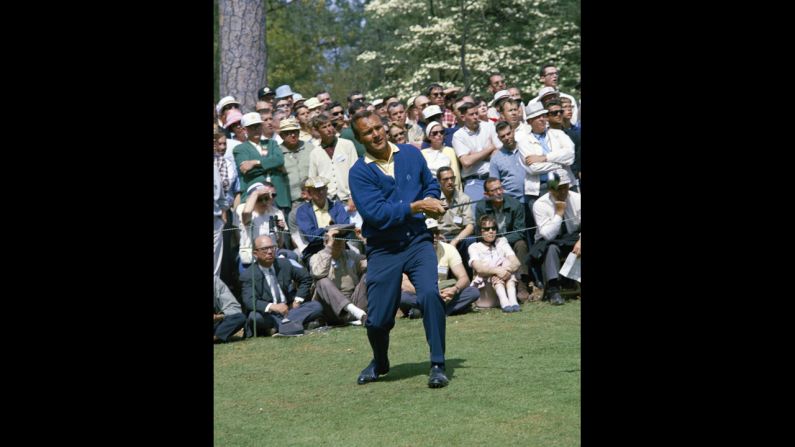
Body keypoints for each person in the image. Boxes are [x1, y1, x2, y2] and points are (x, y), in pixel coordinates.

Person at [348, 110, 450, 388]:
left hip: (418, 240)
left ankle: (438, 363)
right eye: (368, 132)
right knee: (379, 319)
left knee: (430, 294)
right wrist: (417, 206)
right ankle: (380, 362)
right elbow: (377, 214)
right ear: (359, 138)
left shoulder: (411, 154)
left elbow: (429, 184)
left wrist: (434, 201)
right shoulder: (358, 172)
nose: (376, 134)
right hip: (383, 249)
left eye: (378, 128)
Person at [240, 235, 322, 337]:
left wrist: (298, 300)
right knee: (255, 317)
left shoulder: (284, 264)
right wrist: (273, 307)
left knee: (316, 306)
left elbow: (306, 278)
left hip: (288, 310)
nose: (270, 252)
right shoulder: (248, 274)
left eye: (272, 247)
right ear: (255, 253)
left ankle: (279, 328)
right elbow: (249, 301)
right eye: (265, 249)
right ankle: (294, 325)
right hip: (268, 314)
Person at [399, 218, 479, 318]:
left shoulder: (449, 248)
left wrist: (454, 289)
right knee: (402, 298)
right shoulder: (409, 251)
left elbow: (464, 278)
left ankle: (421, 312)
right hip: (421, 292)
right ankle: (444, 310)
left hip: (444, 290)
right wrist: (431, 294)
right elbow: (404, 283)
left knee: (473, 292)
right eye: (429, 233)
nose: (434, 236)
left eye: (436, 232)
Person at [530, 169, 581, 305]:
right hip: (549, 241)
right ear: (551, 189)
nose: (563, 192)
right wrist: (559, 213)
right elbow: (548, 235)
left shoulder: (577, 198)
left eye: (565, 187)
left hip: (572, 237)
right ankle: (554, 289)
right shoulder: (540, 204)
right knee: (551, 248)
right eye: (559, 188)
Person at [309, 226, 368, 326]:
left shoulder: (351, 255)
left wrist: (365, 241)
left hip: (354, 301)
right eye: (336, 238)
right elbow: (318, 273)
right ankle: (357, 314)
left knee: (370, 274)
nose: (340, 242)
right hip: (331, 309)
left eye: (342, 238)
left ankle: (358, 314)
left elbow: (374, 263)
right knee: (322, 281)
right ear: (326, 241)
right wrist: (330, 245)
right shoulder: (317, 257)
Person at [468, 214, 522, 312]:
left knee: (506, 264)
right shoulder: (474, 247)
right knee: (494, 269)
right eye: (487, 229)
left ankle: (513, 302)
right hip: (486, 295)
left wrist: (505, 271)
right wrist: (497, 271)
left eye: (493, 228)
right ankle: (504, 302)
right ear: (480, 231)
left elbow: (516, 262)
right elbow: (479, 269)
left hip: (506, 281)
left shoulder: (501, 241)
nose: (491, 231)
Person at [214, 276, 246, 343]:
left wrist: (218, 316)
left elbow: (234, 307)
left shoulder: (215, 281)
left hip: (216, 323)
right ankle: (220, 337)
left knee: (239, 317)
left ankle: (216, 337)